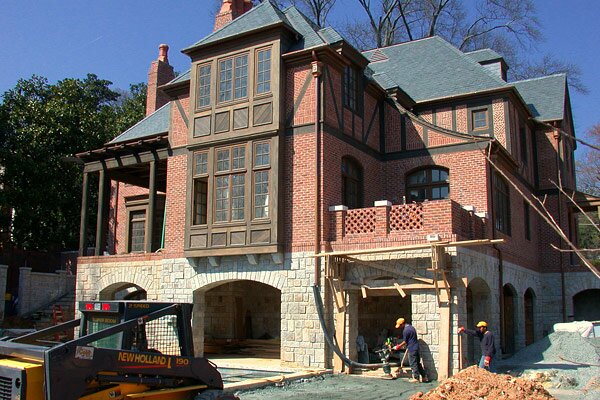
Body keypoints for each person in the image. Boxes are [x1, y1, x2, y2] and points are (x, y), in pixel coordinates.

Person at [392, 317, 429, 383]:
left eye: (400, 326)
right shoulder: (412, 328)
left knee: (413, 363)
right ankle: (424, 377)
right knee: (417, 363)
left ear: (402, 324)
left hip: (412, 348)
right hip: (416, 347)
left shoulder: (406, 330)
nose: (400, 327)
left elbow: (405, 341)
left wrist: (398, 346)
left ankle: (416, 378)